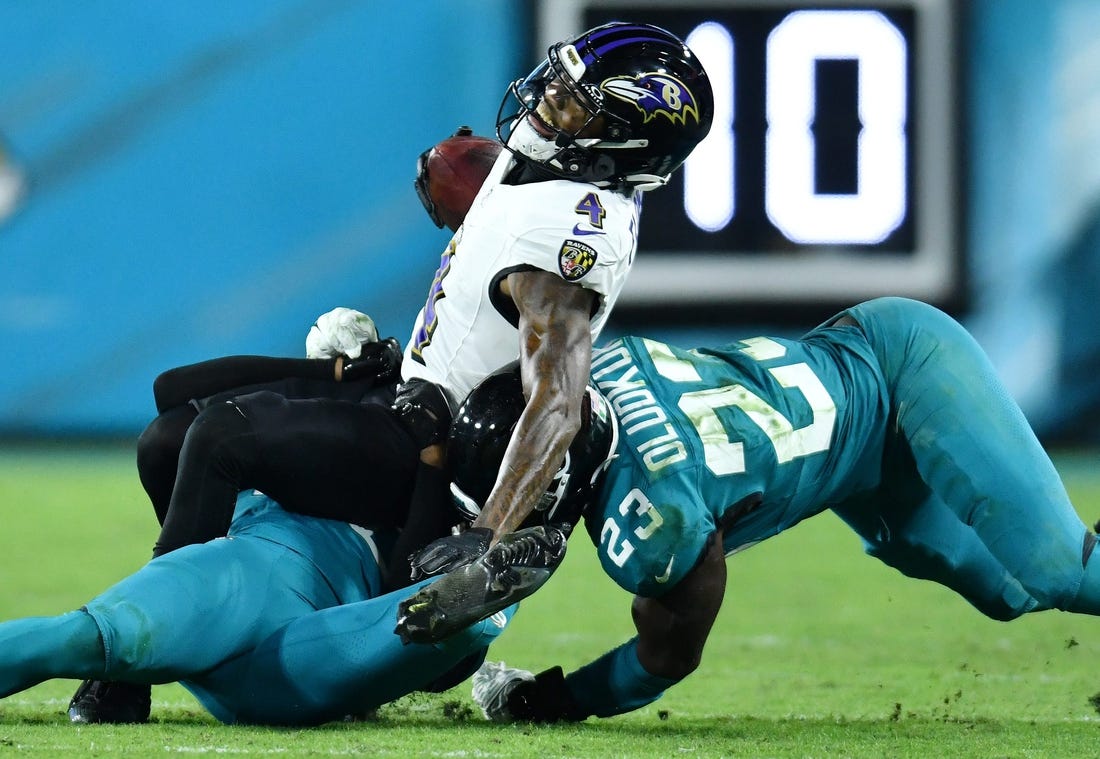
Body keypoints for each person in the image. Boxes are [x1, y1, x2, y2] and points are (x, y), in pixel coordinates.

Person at [73, 20, 714, 724]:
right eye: (556, 84)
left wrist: (487, 533)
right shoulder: (559, 162)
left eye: (570, 102)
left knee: (221, 436)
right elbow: (506, 214)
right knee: (168, 426)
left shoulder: (570, 241)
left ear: (620, 138)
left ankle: (136, 660)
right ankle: (241, 607)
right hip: (403, 384)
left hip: (431, 443)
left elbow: (557, 404)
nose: (544, 103)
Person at [405, 296, 1100, 722]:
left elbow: (669, 656)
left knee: (1056, 572)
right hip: (861, 460)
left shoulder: (657, 521)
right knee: (1006, 593)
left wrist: (553, 700)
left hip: (900, 365)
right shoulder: (600, 369)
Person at [8, 488, 516, 726]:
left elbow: (191, 428)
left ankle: (462, 611)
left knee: (87, 637)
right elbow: (193, 423)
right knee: (394, 636)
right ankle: (468, 611)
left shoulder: (329, 430)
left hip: (241, 594)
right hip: (280, 617)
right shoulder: (348, 424)